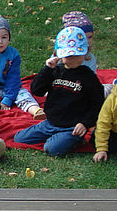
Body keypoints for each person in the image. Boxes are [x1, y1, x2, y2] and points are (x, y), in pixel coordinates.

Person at [13, 26, 104, 157]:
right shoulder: (56, 71)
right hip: (50, 122)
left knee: (51, 148)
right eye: (68, 55)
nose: (72, 58)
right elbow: (36, 90)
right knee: (19, 138)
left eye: (77, 54)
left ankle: (76, 139)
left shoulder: (88, 77)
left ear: (86, 53)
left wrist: (85, 124)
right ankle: (59, 137)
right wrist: (47, 69)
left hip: (72, 126)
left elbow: (97, 103)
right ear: (59, 54)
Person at [0, 13, 44, 119]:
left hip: (7, 87)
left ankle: (35, 110)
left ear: (9, 38)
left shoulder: (13, 55)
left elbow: (13, 78)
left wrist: (8, 99)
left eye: (4, 37)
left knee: (23, 93)